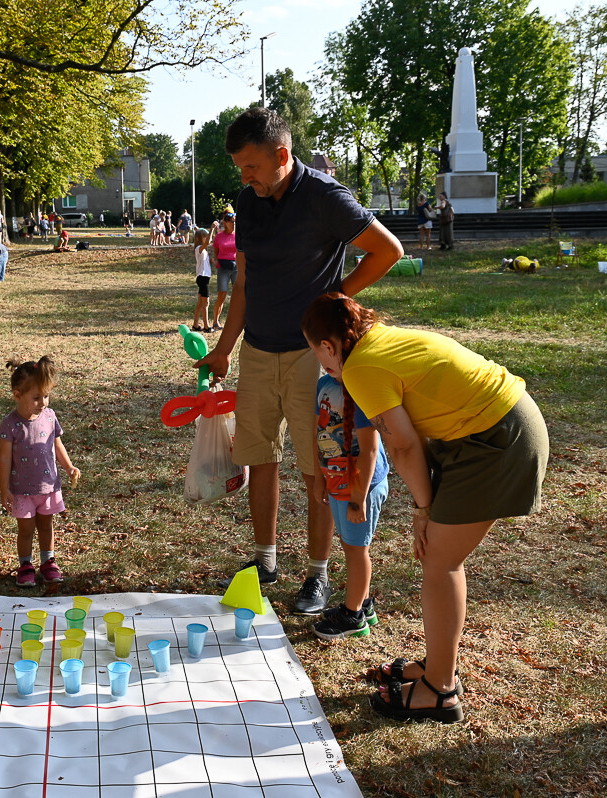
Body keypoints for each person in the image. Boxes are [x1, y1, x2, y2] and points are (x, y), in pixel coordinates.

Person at [194, 106, 402, 616]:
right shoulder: (248, 201)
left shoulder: (325, 197)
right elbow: (242, 282)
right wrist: (224, 347)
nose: (244, 178)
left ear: (282, 156)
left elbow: (387, 250)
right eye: (240, 168)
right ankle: (264, 562)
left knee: (318, 471)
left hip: (314, 358)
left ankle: (317, 572)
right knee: (259, 458)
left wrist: (333, 300)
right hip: (259, 352)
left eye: (251, 167)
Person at [302, 292, 548, 723]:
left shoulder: (358, 368)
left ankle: (440, 690)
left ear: (327, 345)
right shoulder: (378, 340)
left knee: (439, 560)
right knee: (438, 557)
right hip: (491, 427)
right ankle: (438, 668)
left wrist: (423, 507)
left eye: (321, 358)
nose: (325, 368)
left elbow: (401, 444)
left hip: (497, 438)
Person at [309, 360, 388, 641]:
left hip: (361, 486)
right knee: (349, 544)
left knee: (357, 550)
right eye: (320, 350)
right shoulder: (324, 385)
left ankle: (353, 616)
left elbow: (369, 449)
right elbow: (318, 432)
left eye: (333, 352)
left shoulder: (363, 390)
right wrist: (320, 479)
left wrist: (358, 498)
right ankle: (362, 604)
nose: (325, 359)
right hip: (336, 480)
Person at [0, 356, 81, 588]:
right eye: (36, 398)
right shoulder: (10, 424)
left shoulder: (50, 416)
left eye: (46, 396)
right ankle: (25, 565)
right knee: (25, 530)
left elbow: (57, 445)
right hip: (21, 490)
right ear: (17, 395)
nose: (43, 402)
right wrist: (4, 488)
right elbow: (4, 458)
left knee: (47, 526)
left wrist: (69, 466)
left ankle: (48, 561)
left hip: (49, 486)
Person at [209, 211, 237, 330]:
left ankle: (238, 322)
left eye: (235, 222)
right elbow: (216, 253)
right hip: (223, 269)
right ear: (225, 222)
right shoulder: (219, 236)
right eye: (232, 222)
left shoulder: (238, 235)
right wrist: (219, 261)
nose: (234, 224)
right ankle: (216, 322)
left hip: (236, 268)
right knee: (222, 295)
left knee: (238, 295)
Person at [192, 228, 212, 331]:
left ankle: (195, 324)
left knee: (200, 302)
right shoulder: (199, 248)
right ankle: (206, 326)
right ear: (200, 238)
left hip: (205, 277)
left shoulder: (203, 250)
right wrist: (212, 228)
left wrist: (210, 262)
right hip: (202, 278)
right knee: (206, 302)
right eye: (205, 236)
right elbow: (208, 242)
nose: (207, 238)